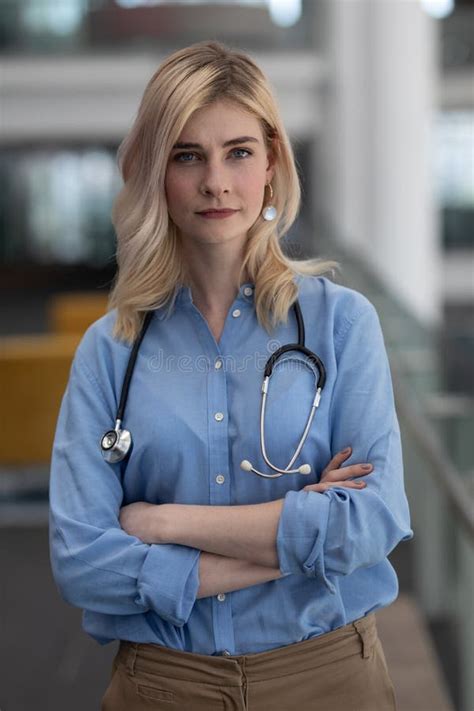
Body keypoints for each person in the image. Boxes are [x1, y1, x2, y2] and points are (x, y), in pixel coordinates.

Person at [48, 40, 413, 711]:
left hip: (328, 679)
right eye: (189, 155)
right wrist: (299, 541)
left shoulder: (341, 325)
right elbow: (82, 562)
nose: (216, 181)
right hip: (162, 686)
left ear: (271, 163)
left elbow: (372, 521)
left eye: (238, 152)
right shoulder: (111, 350)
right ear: (159, 172)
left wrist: (160, 522)